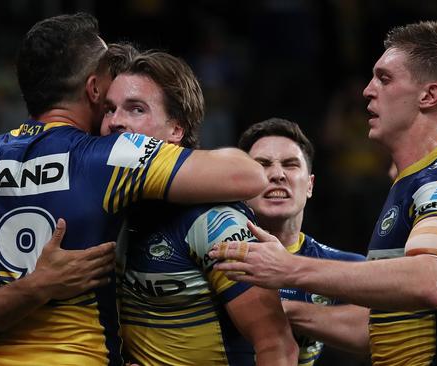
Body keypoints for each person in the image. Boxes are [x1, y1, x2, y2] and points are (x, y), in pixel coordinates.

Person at [0, 13, 268, 366]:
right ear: (93, 89)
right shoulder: (110, 156)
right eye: (110, 96)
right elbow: (247, 176)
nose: (116, 114)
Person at [209, 21, 437, 365]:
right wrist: (281, 309)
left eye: (385, 79)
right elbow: (377, 330)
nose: (367, 90)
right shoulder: (412, 185)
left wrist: (288, 269)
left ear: (429, 96)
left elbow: (429, 281)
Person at [99, 52, 297, 365]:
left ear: (176, 130)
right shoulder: (110, 206)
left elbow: (279, 348)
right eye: (109, 109)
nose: (114, 122)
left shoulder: (215, 222)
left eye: (136, 109)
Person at [237, 118, 369, 365]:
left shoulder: (341, 265)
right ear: (241, 183)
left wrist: (284, 310)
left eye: (290, 164)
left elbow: (382, 327)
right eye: (263, 164)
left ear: (309, 185)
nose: (277, 174)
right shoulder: (213, 252)